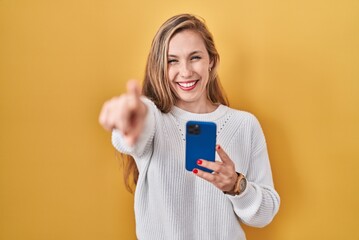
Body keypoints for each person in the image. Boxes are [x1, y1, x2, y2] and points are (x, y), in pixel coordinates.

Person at [99, 13, 280, 240]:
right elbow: (136, 126)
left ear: (211, 61)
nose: (185, 71)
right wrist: (128, 121)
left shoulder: (244, 124)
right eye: (172, 60)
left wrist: (236, 185)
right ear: (161, 67)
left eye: (195, 57)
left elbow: (265, 214)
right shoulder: (154, 118)